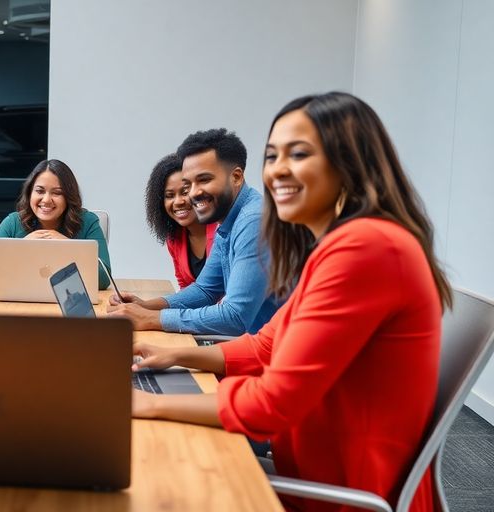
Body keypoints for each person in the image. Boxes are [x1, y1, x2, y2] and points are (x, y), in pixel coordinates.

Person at [131, 92, 450, 511]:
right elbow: (266, 344)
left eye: (297, 154)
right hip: (306, 470)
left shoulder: (367, 249)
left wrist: (153, 403)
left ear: (349, 163)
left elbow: (274, 403)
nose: (278, 169)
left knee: (157, 475)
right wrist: (172, 358)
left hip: (338, 494)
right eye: (272, 156)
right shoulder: (340, 245)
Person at [109, 129, 278, 335]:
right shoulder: (227, 219)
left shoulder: (253, 220)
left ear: (236, 177)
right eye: (189, 184)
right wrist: (145, 306)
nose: (194, 193)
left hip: (275, 355)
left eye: (204, 180)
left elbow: (235, 316)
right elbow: (205, 290)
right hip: (253, 345)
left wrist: (152, 318)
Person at [0, 159, 111, 289]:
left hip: (70, 304)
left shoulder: (88, 222)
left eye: (57, 193)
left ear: (68, 197)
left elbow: (104, 278)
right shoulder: (12, 223)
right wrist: (21, 249)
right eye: (39, 191)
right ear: (30, 193)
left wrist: (69, 246)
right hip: (22, 302)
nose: (46, 200)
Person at [145, 152, 217, 289]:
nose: (178, 202)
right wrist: (143, 306)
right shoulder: (174, 238)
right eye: (169, 196)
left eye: (185, 192)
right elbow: (185, 287)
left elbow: (228, 296)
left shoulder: (223, 231)